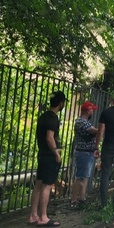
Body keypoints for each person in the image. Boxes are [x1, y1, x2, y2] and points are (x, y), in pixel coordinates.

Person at [27, 90, 66, 227]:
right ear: (61, 103)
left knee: (38, 184)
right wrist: (57, 153)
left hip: (42, 154)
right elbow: (50, 137)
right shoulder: (53, 118)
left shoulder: (43, 116)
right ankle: (43, 216)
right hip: (49, 156)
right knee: (47, 186)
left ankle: (33, 215)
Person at [70, 101, 98, 209]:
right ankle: (73, 200)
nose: (93, 112)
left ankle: (82, 198)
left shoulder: (85, 121)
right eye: (92, 110)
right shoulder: (81, 122)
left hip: (88, 152)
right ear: (87, 111)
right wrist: (102, 128)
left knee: (85, 177)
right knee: (79, 177)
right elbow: (94, 131)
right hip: (83, 152)